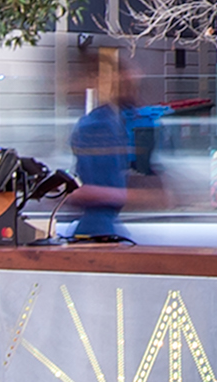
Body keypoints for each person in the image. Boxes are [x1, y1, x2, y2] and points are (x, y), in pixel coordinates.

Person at [63, 39, 167, 244]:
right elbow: (91, 189)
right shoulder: (97, 125)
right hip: (98, 231)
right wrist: (142, 197)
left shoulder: (114, 121)